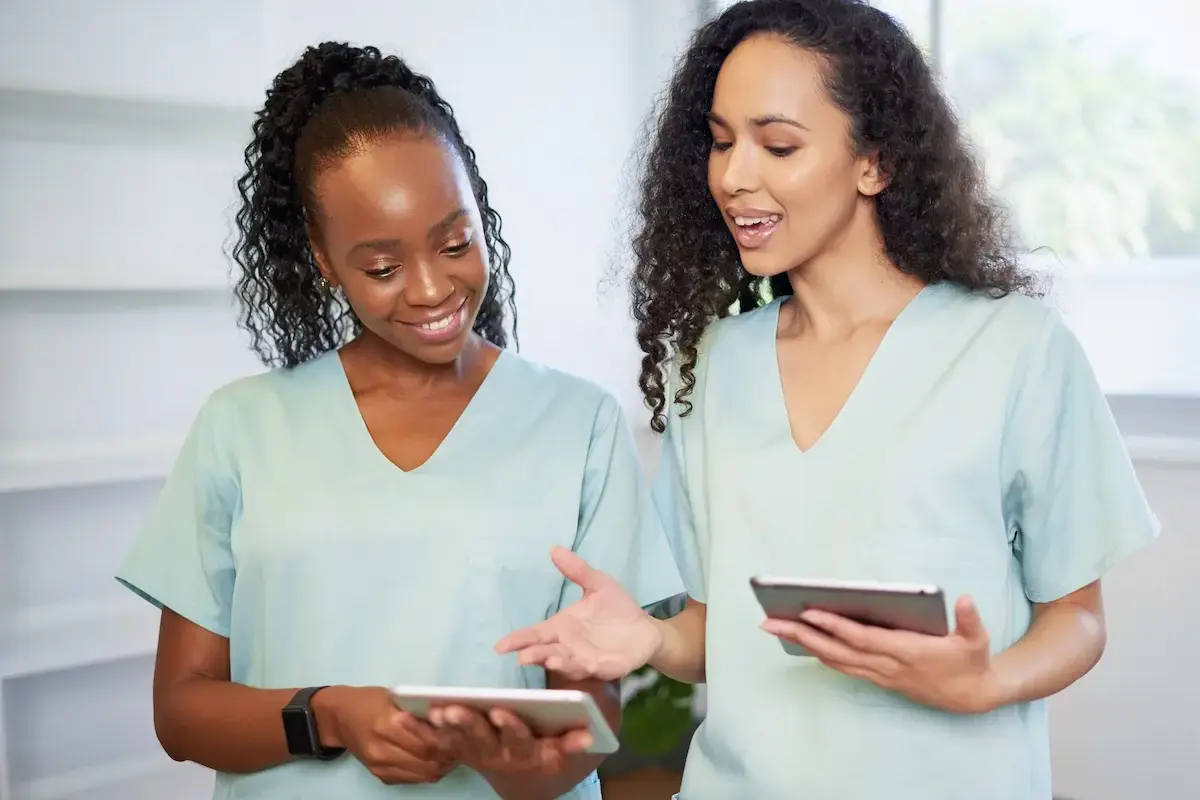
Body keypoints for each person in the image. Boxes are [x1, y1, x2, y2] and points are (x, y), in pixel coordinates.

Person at [496, 2, 1161, 798]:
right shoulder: (717, 362)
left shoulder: (1015, 351)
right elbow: (722, 634)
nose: (735, 174)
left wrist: (987, 680)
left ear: (874, 162)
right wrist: (650, 638)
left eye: (778, 144)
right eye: (719, 140)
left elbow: (1079, 621)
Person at [115, 41, 681, 800]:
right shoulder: (240, 429)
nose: (430, 289)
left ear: (481, 211)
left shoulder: (579, 424)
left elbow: (606, 714)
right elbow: (181, 712)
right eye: (381, 267)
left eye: (456, 242)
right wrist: (331, 717)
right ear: (322, 259)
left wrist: (534, 768)